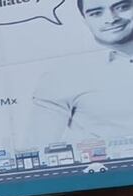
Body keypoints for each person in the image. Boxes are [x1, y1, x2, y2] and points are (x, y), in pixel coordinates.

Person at [31, 0, 133, 144]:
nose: (111, 19)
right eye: (96, 13)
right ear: (85, 20)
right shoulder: (62, 76)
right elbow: (38, 147)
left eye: (122, 7)